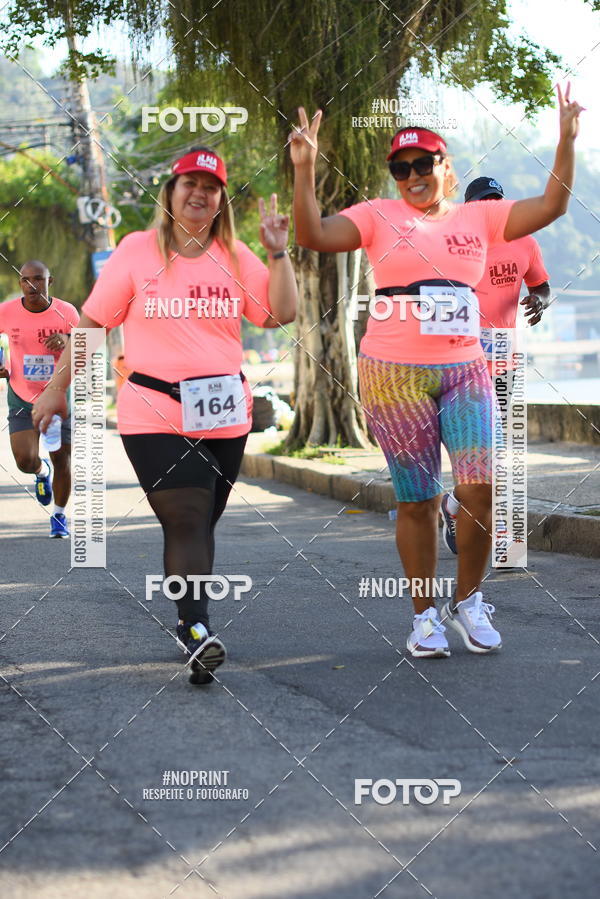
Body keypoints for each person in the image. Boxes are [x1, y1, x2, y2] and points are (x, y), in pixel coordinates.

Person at [290, 85, 582, 658]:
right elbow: (312, 235)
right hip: (393, 377)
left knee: (480, 490)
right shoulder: (376, 215)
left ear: (446, 167)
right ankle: (423, 617)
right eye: (401, 168)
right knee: (418, 501)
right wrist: (303, 167)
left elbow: (552, 205)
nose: (413, 175)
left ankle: (469, 603)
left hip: (464, 369)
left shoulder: (482, 216)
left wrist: (566, 139)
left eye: (424, 163)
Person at [32, 147, 297, 683]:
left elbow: (279, 314)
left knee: (202, 522)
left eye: (212, 186)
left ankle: (189, 617)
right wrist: (57, 388)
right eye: (189, 183)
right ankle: (197, 631)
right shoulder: (135, 252)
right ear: (171, 192)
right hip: (152, 408)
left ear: (221, 199)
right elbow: (90, 325)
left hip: (225, 412)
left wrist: (277, 254)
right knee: (185, 516)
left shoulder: (234, 253)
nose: (200, 193)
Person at [440, 176, 551, 554]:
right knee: (478, 457)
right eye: (483, 203)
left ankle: (470, 517)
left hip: (505, 359)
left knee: (504, 456)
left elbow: (541, 284)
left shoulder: (526, 242)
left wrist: (540, 300)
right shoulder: (454, 246)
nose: (492, 208)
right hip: (463, 364)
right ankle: (462, 510)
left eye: (496, 201)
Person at [0, 260, 79, 537]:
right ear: (20, 283)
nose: (32, 285)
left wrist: (67, 339)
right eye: (26, 280)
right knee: (24, 460)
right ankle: (40, 472)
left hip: (57, 395)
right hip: (21, 396)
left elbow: (86, 346)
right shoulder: (6, 312)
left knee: (62, 459)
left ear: (50, 281)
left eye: (38, 279)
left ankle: (58, 515)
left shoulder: (66, 311)